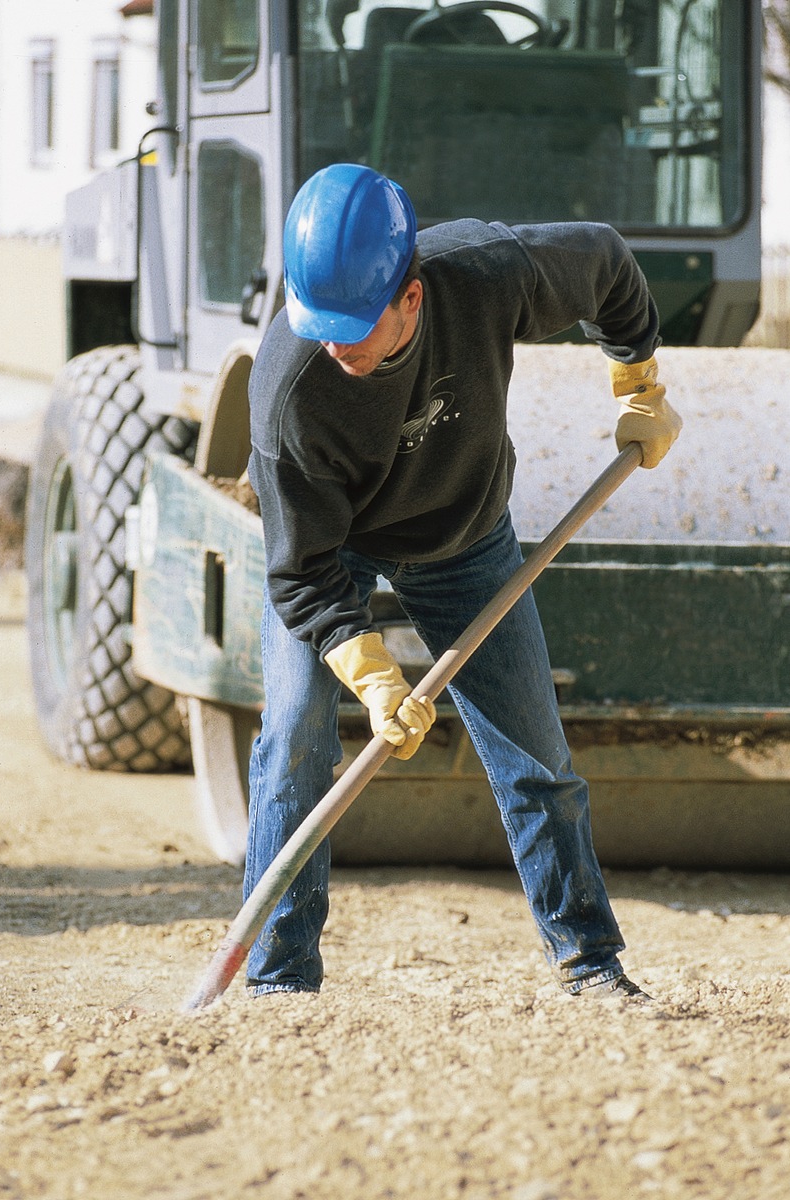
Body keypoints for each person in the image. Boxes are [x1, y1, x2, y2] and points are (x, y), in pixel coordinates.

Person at [244, 162, 681, 1002]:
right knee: (296, 738)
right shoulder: (291, 388)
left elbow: (606, 264)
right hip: (333, 551)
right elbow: (298, 574)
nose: (333, 345)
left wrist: (638, 381)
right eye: (317, 322)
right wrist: (371, 674)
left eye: (353, 326)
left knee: (535, 755)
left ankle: (589, 964)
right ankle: (279, 978)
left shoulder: (485, 273)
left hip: (462, 535)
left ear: (411, 297)